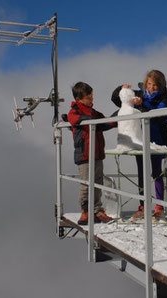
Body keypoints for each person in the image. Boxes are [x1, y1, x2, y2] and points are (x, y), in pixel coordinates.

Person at [111, 70, 167, 220]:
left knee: (156, 173)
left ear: (161, 85)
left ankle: (159, 206)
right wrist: (123, 89)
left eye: (154, 85)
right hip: (140, 140)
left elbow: (159, 115)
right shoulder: (139, 94)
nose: (151, 87)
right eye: (149, 84)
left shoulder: (166, 99)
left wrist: (143, 104)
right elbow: (116, 98)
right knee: (142, 173)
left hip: (157, 140)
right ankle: (143, 205)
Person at [67, 82, 115, 225]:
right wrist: (91, 120)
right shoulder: (75, 111)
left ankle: (97, 210)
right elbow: (74, 119)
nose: (91, 100)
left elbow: (104, 123)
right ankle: (85, 211)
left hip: (97, 153)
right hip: (84, 155)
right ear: (78, 99)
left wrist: (117, 119)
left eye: (92, 97)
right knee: (87, 183)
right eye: (88, 98)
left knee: (98, 182)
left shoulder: (94, 112)